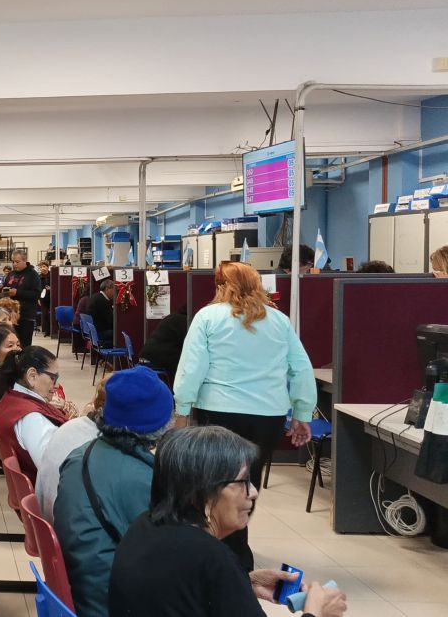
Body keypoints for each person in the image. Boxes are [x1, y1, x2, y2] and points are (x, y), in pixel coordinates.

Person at [109, 426, 348, 617]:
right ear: (201, 492)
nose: (253, 492)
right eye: (242, 482)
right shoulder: (212, 557)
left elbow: (178, 593)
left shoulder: (144, 527)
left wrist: (243, 584)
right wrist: (316, 612)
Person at [173, 261, 315, 570]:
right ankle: (236, 549)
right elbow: (301, 369)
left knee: (214, 482)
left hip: (220, 410)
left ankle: (223, 551)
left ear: (221, 286)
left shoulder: (208, 317)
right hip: (268, 415)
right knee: (247, 482)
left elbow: (191, 369)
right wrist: (302, 413)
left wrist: (182, 411)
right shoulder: (278, 320)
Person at [52, 366, 173, 617]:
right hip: (112, 604)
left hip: (85, 590)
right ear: (159, 426)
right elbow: (172, 559)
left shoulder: (79, 455)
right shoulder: (144, 481)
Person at [0, 346, 72, 480]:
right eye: (53, 378)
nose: (57, 385)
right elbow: (54, 468)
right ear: (32, 376)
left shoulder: (9, 399)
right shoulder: (32, 418)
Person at [35, 377, 105, 521]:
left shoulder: (69, 427)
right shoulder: (99, 447)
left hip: (50, 520)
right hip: (68, 528)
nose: (56, 386)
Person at [138, 304, 188, 376]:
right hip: (156, 358)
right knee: (185, 366)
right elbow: (188, 343)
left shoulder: (172, 317)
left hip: (144, 356)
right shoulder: (184, 321)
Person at [87, 278, 116, 346]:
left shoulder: (95, 296)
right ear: (107, 289)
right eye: (113, 290)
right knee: (118, 333)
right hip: (99, 332)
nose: (115, 293)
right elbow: (110, 320)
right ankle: (112, 356)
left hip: (95, 330)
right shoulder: (102, 301)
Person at [38, 261, 52, 335]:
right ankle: (47, 330)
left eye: (44, 266)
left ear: (47, 267)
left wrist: (51, 288)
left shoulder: (52, 275)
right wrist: (38, 299)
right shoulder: (39, 277)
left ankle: (52, 330)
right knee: (45, 314)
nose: (42, 268)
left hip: (52, 297)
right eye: (41, 267)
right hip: (43, 298)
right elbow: (37, 289)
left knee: (51, 314)